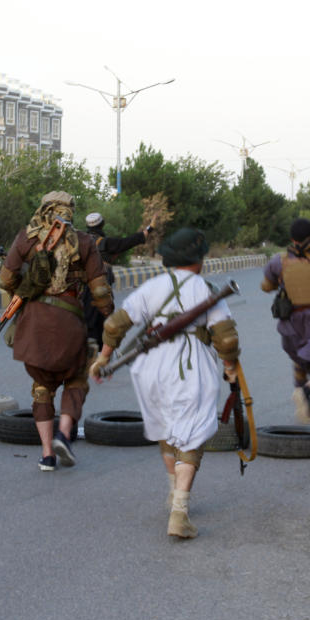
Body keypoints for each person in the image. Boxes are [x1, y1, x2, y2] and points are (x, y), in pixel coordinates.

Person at [89, 228, 240, 539]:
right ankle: (179, 513)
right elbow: (225, 337)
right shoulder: (207, 289)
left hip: (149, 367)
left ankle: (173, 490)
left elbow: (116, 324)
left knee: (166, 426)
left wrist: (104, 358)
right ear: (198, 259)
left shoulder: (152, 286)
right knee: (192, 431)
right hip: (189, 365)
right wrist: (230, 366)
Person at [0, 191, 113, 471]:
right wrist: (110, 318)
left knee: (41, 388)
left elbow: (5, 279)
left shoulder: (27, 237)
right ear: (70, 211)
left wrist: (25, 294)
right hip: (70, 322)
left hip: (34, 324)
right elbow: (99, 290)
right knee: (75, 381)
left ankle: (47, 454)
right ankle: (64, 433)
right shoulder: (85, 242)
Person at [261, 218, 310, 423]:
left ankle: (300, 391)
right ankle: (306, 390)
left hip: (291, 321)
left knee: (299, 359)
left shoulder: (279, 261)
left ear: (292, 240)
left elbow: (266, 286)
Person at [82, 212, 151, 344]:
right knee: (104, 314)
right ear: (102, 224)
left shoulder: (81, 241)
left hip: (81, 286)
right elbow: (129, 241)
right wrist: (149, 229)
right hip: (101, 287)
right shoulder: (106, 243)